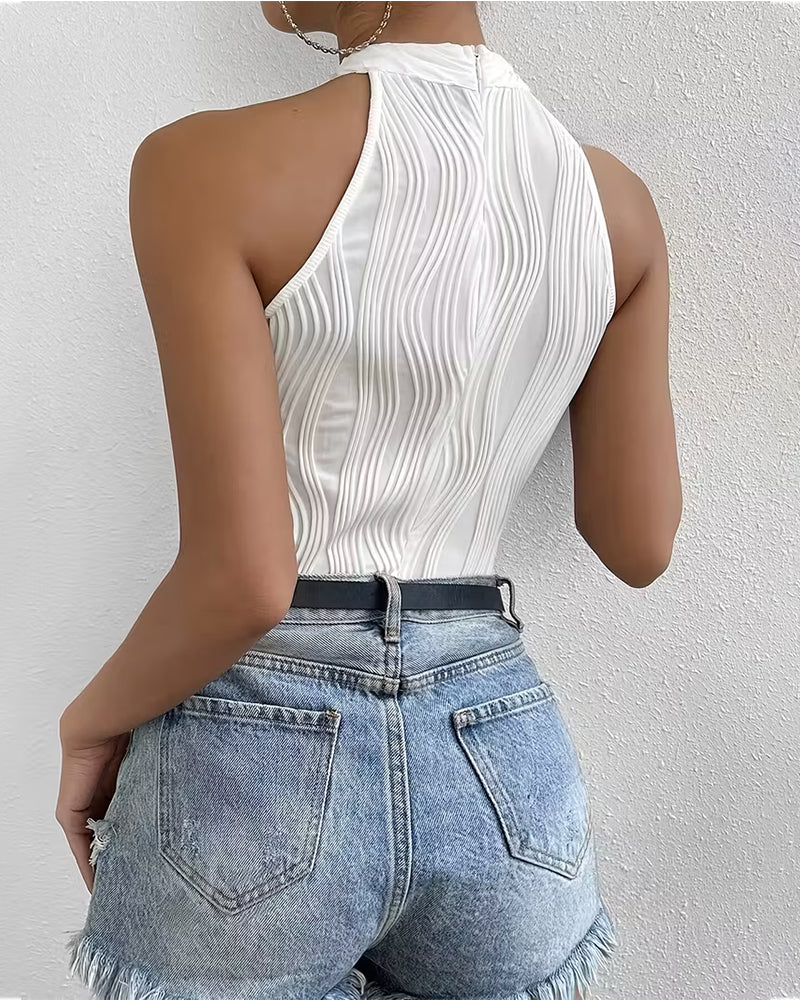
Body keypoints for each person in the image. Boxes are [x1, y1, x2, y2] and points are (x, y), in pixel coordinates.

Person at [58, 2, 681, 999]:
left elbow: (245, 580)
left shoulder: (203, 165)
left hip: (257, 743)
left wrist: (89, 724)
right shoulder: (618, 206)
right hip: (498, 747)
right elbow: (636, 541)